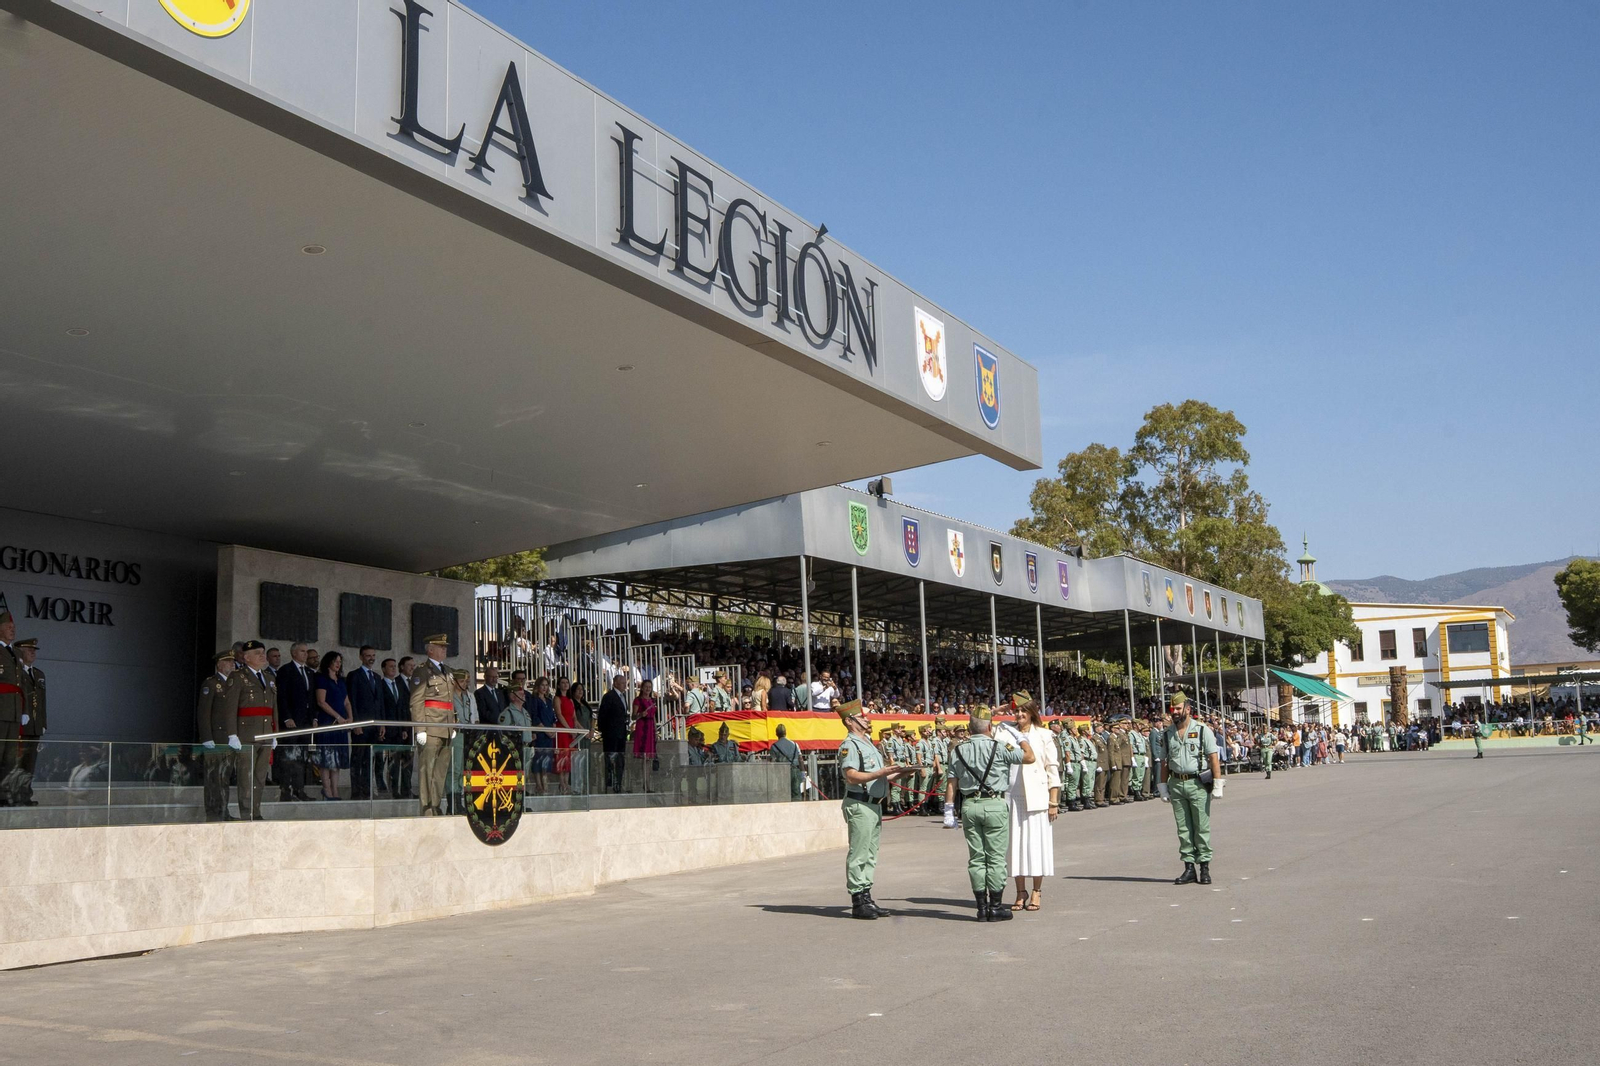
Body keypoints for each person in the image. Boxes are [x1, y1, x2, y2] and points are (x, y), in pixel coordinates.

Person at [945, 703, 1034, 921]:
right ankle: (995, 907)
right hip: (994, 804)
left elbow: (951, 783)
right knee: (995, 858)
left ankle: (981, 907)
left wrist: (948, 809)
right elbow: (1029, 757)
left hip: (969, 805)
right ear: (989, 727)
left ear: (970, 727)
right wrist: (1020, 736)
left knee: (976, 858)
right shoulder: (1000, 746)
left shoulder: (958, 749)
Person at [837, 699, 914, 919]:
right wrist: (879, 774)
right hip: (860, 803)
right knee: (859, 853)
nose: (867, 719)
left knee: (870, 853)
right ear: (850, 721)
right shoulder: (849, 745)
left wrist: (901, 773)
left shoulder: (868, 743)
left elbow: (880, 775)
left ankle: (866, 895)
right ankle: (857, 900)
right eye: (862, 717)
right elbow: (850, 775)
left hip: (873, 804)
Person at [1155, 692, 1223, 885]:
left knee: (1201, 827)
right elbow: (1164, 761)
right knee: (1183, 828)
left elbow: (1213, 758)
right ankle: (1189, 868)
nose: (1175, 712)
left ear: (1187, 709)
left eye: (1178, 708)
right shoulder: (1167, 734)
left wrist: (1217, 784)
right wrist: (1162, 787)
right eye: (1172, 709)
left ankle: (1205, 868)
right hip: (1176, 784)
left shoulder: (1202, 730)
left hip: (1198, 783)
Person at [1004, 693, 1057, 912]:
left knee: (1036, 846)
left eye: (1023, 710)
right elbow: (986, 721)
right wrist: (1004, 707)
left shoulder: (1044, 735)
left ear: (1032, 712)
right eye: (1016, 710)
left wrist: (1053, 801)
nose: (1019, 714)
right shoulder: (1006, 732)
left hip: (1037, 797)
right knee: (1015, 847)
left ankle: (1036, 890)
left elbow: (1051, 767)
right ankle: (1019, 892)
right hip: (1012, 797)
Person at [224, 641, 278, 820]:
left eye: (263, 652)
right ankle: (247, 814)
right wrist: (232, 734)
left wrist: (275, 733)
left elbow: (273, 709)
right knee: (246, 778)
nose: (263, 656)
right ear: (246, 657)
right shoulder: (238, 677)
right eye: (257, 653)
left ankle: (257, 811)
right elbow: (230, 708)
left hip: (266, 734)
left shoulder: (269, 678)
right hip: (246, 735)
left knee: (260, 777)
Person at [408, 636, 456, 816]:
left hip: (446, 727)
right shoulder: (422, 671)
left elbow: (450, 702)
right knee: (427, 769)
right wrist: (420, 728)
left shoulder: (448, 671)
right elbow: (416, 701)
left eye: (445, 647)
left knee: (440, 770)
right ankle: (427, 806)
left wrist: (452, 726)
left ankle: (436, 804)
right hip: (430, 726)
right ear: (430, 650)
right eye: (440, 647)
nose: (444, 650)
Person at [196, 648, 237, 820]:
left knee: (224, 777)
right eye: (229, 662)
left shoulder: (233, 684)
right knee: (214, 777)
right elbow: (203, 712)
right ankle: (213, 812)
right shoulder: (211, 683)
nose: (232, 665)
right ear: (220, 665)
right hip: (215, 738)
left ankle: (223, 811)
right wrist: (206, 737)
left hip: (230, 738)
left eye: (233, 661)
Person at [273, 643, 315, 802]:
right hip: (291, 721)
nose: (306, 654)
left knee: (302, 756)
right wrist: (286, 717)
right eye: (302, 651)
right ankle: (285, 790)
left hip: (305, 721)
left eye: (306, 651)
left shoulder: (310, 672)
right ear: (294, 653)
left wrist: (314, 718)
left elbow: (311, 698)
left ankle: (299, 789)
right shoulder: (285, 670)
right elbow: (281, 697)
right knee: (288, 756)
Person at [313, 651, 354, 800]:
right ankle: (326, 789)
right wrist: (338, 717)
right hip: (328, 722)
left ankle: (335, 791)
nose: (338, 664)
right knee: (326, 758)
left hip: (341, 724)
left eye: (340, 661)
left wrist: (350, 717)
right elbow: (321, 701)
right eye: (335, 661)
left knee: (336, 758)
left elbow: (346, 702)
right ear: (328, 662)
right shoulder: (321, 678)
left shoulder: (341, 680)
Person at [11, 637, 46, 806]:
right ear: (19, 652)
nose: (33, 653)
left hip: (34, 727)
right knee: (16, 764)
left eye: (34, 650)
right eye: (28, 650)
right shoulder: (15, 673)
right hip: (19, 727)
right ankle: (12, 796)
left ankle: (25, 796)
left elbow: (42, 702)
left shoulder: (39, 674)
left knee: (29, 765)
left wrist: (43, 723)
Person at [346, 646, 384, 799]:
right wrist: (355, 723)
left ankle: (367, 790)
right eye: (368, 655)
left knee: (370, 759)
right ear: (361, 657)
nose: (371, 658)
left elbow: (380, 702)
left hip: (374, 725)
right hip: (361, 724)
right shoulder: (354, 675)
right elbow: (352, 700)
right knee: (357, 758)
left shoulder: (376, 677)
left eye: (373, 655)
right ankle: (356, 791)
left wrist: (382, 723)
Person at [379, 658, 413, 799]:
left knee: (404, 761)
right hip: (387, 729)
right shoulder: (381, 684)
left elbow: (402, 708)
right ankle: (391, 790)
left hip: (400, 729)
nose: (393, 669)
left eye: (394, 666)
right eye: (391, 667)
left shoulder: (398, 685)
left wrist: (404, 728)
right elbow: (381, 706)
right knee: (390, 762)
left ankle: (405, 789)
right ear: (384, 669)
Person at [0, 609, 23, 799]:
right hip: (1, 710)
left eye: (14, 627)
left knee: (10, 756)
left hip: (14, 711)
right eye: (8, 627)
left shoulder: (16, 652)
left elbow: (19, 682)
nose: (12, 630)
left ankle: (4, 793)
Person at [597, 674, 630, 793]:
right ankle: (610, 784)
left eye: (625, 683)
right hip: (611, 734)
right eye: (622, 683)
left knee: (620, 759)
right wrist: (604, 731)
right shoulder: (609, 696)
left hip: (621, 733)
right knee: (610, 759)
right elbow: (603, 715)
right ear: (615, 683)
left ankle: (619, 783)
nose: (624, 685)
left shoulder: (623, 696)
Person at [631, 679, 658, 791]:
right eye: (646, 687)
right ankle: (644, 784)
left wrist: (656, 731)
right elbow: (633, 716)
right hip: (642, 728)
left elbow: (654, 717)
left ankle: (647, 784)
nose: (648, 689)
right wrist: (641, 714)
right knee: (644, 757)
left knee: (649, 759)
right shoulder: (638, 700)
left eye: (649, 687)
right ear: (642, 688)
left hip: (651, 728)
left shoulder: (652, 700)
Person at [769, 722, 803, 800]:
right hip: (795, 772)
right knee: (796, 796)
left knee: (782, 796)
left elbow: (772, 763)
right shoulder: (795, 744)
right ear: (785, 733)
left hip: (781, 774)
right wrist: (803, 772)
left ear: (776, 734)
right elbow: (800, 759)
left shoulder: (774, 746)